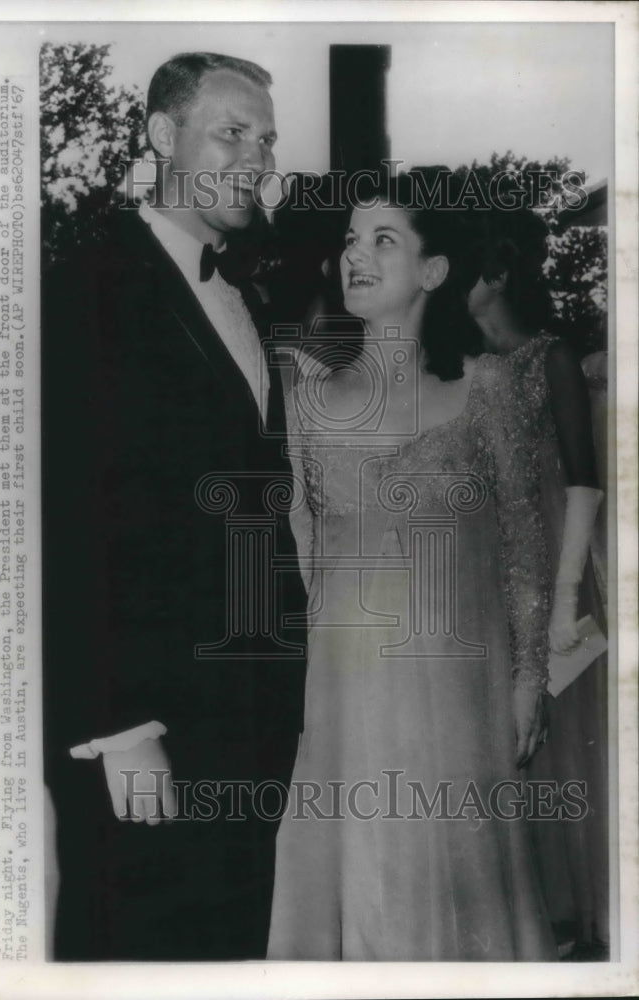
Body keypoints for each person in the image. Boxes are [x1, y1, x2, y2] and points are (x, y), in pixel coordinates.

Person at [41, 52, 307, 961]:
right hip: (149, 722)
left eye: (266, 140)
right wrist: (118, 727)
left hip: (250, 716)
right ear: (162, 135)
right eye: (232, 132)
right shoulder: (88, 285)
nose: (256, 158)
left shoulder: (245, 298)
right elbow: (73, 519)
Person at [267, 170, 558, 961]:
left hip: (462, 699)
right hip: (344, 694)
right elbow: (300, 540)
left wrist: (529, 679)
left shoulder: (488, 390)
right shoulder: (303, 397)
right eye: (350, 240)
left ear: (432, 271)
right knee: (363, 882)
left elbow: (525, 545)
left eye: (383, 240)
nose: (355, 255)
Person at [465, 205, 608, 956]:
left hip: (555, 565)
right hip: (485, 565)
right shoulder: (459, 364)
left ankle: (571, 921)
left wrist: (566, 598)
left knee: (559, 739)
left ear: (496, 275)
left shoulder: (552, 356)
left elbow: (585, 484)